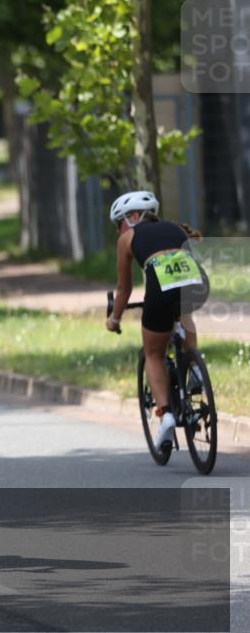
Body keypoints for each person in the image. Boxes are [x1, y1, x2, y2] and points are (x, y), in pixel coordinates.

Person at [106, 190, 209, 454]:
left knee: (153, 353)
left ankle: (165, 416)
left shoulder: (128, 238)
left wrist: (114, 318)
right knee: (184, 310)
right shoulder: (175, 228)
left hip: (162, 292)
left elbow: (124, 289)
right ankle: (195, 366)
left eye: (119, 223)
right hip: (198, 284)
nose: (119, 231)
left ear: (134, 217)